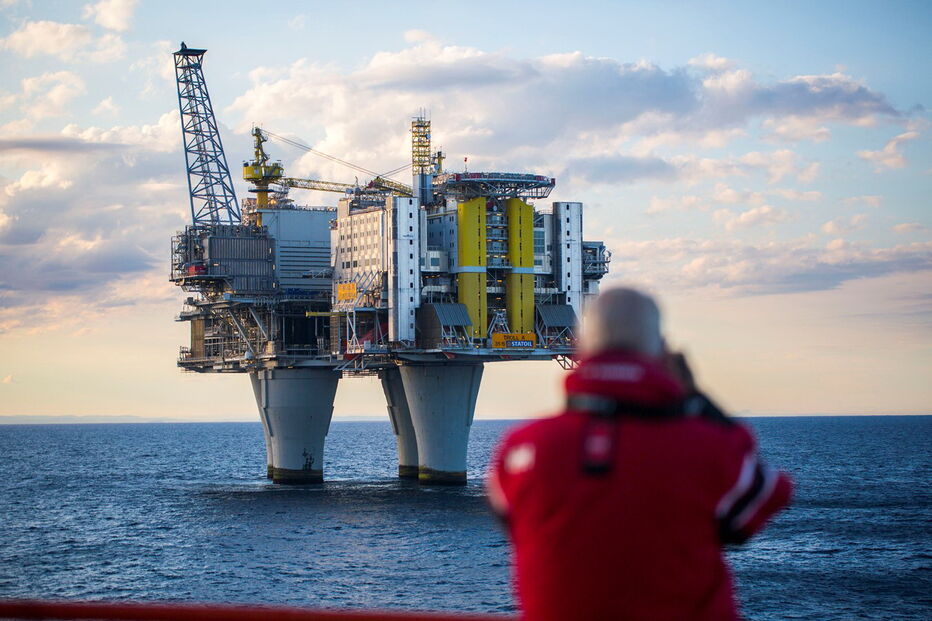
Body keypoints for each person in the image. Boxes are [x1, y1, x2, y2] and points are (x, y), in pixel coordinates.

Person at [487, 287, 793, 621]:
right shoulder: (708, 448)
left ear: (584, 348)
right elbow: (767, 498)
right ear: (661, 353)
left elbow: (512, 521)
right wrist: (696, 399)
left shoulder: (518, 449)